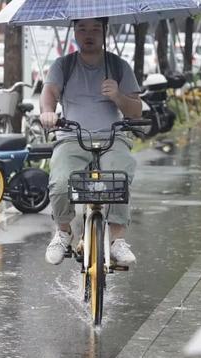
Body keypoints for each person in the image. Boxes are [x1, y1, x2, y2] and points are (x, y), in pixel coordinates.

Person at [39, 17, 142, 267]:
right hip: (72, 138)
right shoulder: (64, 65)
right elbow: (49, 93)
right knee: (61, 182)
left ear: (105, 31)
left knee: (118, 178)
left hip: (112, 137)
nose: (89, 34)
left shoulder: (118, 66)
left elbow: (136, 111)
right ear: (74, 31)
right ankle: (63, 231)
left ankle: (117, 239)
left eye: (96, 28)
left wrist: (118, 95)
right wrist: (48, 112)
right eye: (82, 28)